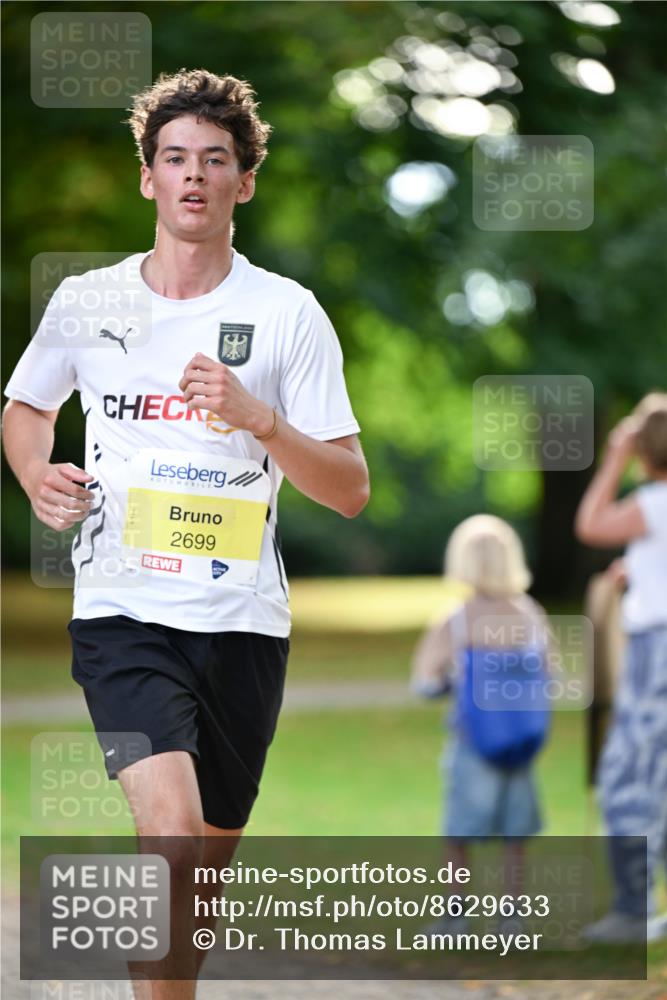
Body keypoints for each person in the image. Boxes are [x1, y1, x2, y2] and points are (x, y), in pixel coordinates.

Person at [3, 69, 369, 996]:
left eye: (215, 159)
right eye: (175, 159)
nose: (194, 176)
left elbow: (351, 490)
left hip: (243, 625)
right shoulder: (89, 301)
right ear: (148, 179)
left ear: (245, 181)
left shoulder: (287, 312)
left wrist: (262, 420)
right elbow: (26, 407)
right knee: (166, 833)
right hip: (123, 614)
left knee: (197, 876)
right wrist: (36, 474)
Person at [411, 515, 550, 928]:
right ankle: (513, 913)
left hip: (473, 740)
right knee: (515, 832)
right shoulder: (531, 615)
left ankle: (456, 913)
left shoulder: (457, 619)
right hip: (522, 741)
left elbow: (424, 681)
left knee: (460, 829)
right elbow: (551, 670)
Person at [575, 392, 667, 943]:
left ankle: (634, 911)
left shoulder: (655, 500)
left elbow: (590, 523)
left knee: (627, 779)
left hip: (655, 654)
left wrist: (612, 460)